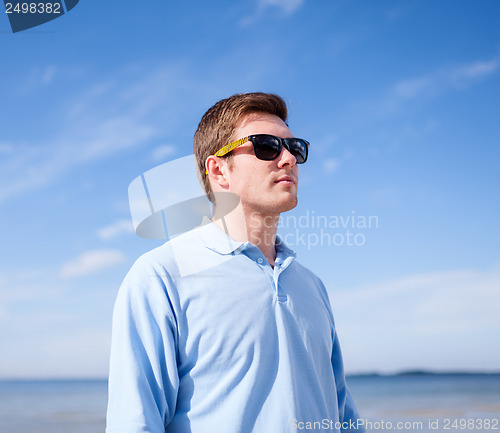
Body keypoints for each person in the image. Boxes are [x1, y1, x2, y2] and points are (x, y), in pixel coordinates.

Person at [106, 92, 365, 433]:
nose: (288, 159)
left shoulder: (312, 286)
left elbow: (343, 414)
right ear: (219, 170)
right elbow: (135, 423)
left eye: (295, 148)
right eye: (267, 146)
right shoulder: (161, 276)